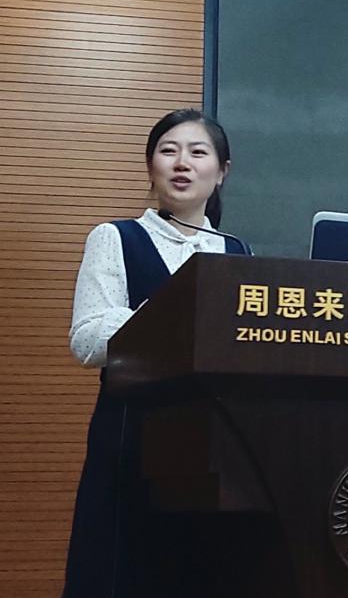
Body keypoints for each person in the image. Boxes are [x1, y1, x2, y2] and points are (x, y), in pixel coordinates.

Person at [61, 109, 251, 598]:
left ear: (222, 172)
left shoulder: (237, 252)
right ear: (151, 166)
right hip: (132, 435)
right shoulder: (115, 238)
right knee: (121, 573)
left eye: (198, 152)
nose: (182, 162)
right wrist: (170, 314)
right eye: (169, 151)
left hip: (216, 447)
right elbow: (87, 339)